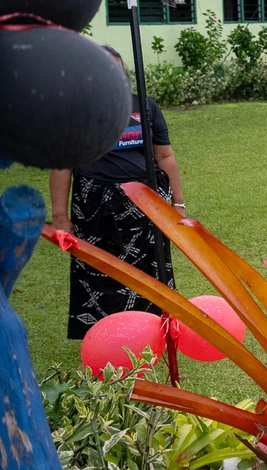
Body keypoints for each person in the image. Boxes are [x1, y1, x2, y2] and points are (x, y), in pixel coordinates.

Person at [49, 45, 186, 339]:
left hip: (147, 203)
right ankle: (105, 339)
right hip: (94, 205)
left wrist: (178, 203)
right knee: (98, 272)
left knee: (152, 272)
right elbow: (62, 166)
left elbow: (164, 157)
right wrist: (59, 216)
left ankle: (151, 334)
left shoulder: (145, 107)